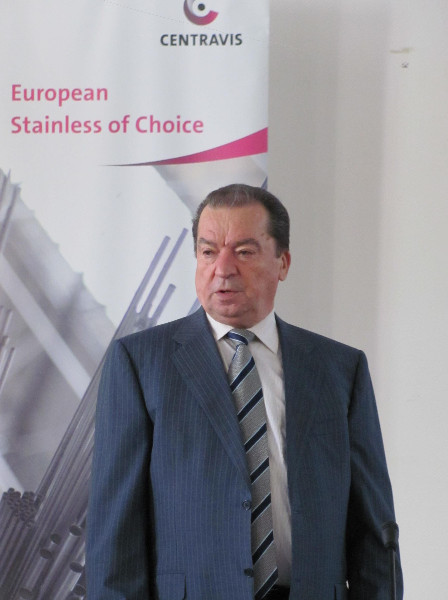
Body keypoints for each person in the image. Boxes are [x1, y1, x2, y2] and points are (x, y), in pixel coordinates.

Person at [86, 184, 403, 600]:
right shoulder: (140, 362)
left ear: (283, 262)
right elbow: (115, 535)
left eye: (244, 251)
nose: (223, 268)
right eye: (208, 251)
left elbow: (374, 529)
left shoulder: (340, 369)